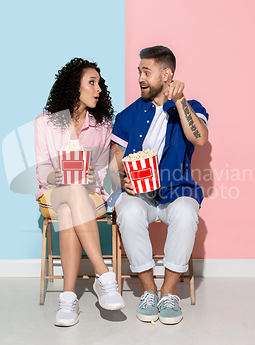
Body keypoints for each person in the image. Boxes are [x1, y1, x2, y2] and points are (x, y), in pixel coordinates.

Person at [110, 46, 209, 325]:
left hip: (177, 190)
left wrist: (179, 101)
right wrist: (122, 179)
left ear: (166, 75)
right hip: (140, 195)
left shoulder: (191, 107)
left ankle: (168, 293)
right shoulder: (128, 115)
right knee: (127, 211)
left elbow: (199, 138)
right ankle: (149, 290)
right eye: (139, 71)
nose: (140, 77)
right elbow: (114, 161)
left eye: (146, 71)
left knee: (187, 213)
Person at [34, 58, 125, 327]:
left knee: (68, 209)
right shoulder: (45, 123)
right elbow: (41, 171)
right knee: (68, 193)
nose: (99, 89)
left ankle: (68, 299)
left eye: (99, 84)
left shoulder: (103, 124)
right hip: (52, 193)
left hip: (89, 195)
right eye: (92, 83)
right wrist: (56, 176)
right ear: (76, 87)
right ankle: (104, 277)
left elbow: (100, 172)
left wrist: (90, 179)